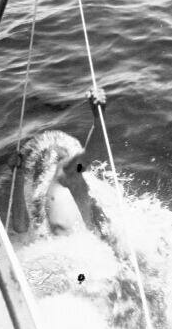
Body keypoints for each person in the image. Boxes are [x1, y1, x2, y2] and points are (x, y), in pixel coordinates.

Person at [8, 87, 107, 236]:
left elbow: (90, 154)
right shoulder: (42, 195)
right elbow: (20, 227)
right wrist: (18, 174)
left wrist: (99, 119)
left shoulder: (69, 173)